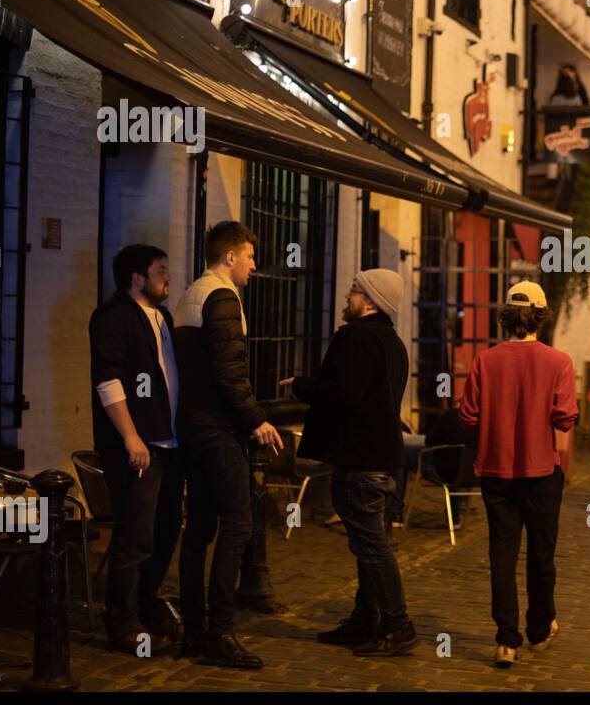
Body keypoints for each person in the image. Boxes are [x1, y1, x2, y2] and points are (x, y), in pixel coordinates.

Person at [281, 269, 416, 657]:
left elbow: (343, 394)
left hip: (361, 459)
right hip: (381, 457)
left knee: (373, 547)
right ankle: (365, 619)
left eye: (355, 291)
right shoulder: (392, 342)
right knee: (367, 545)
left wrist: (301, 386)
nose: (347, 296)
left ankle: (397, 624)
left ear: (371, 301)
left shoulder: (357, 338)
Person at [173, 221, 283, 669]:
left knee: (199, 528)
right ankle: (219, 631)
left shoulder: (190, 294)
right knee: (239, 523)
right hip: (217, 429)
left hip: (192, 428)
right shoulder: (222, 297)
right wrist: (255, 419)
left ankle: (195, 629)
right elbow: (229, 368)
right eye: (250, 256)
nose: (254, 265)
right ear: (230, 256)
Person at [460, 281, 578, 668]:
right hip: (542, 469)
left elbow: (468, 414)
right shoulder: (558, 362)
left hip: (495, 469)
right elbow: (564, 416)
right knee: (542, 554)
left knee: (502, 556)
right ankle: (540, 626)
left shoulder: (485, 360)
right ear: (541, 317)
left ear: (506, 317)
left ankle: (506, 639)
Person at [88, 244, 184, 655]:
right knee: (135, 535)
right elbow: (108, 380)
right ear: (137, 278)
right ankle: (121, 622)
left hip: (169, 442)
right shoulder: (112, 317)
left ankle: (147, 602)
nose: (168, 277)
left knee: (165, 529)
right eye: (161, 270)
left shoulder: (163, 316)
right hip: (138, 446)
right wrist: (130, 436)